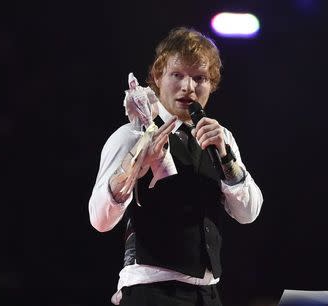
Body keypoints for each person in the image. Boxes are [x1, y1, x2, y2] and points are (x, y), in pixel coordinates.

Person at [88, 27, 263, 306]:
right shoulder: (132, 134)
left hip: (208, 292)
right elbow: (99, 219)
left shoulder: (221, 137)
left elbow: (248, 213)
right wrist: (133, 165)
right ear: (158, 76)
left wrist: (225, 158)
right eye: (177, 75)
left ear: (212, 84)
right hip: (152, 290)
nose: (188, 87)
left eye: (199, 78)